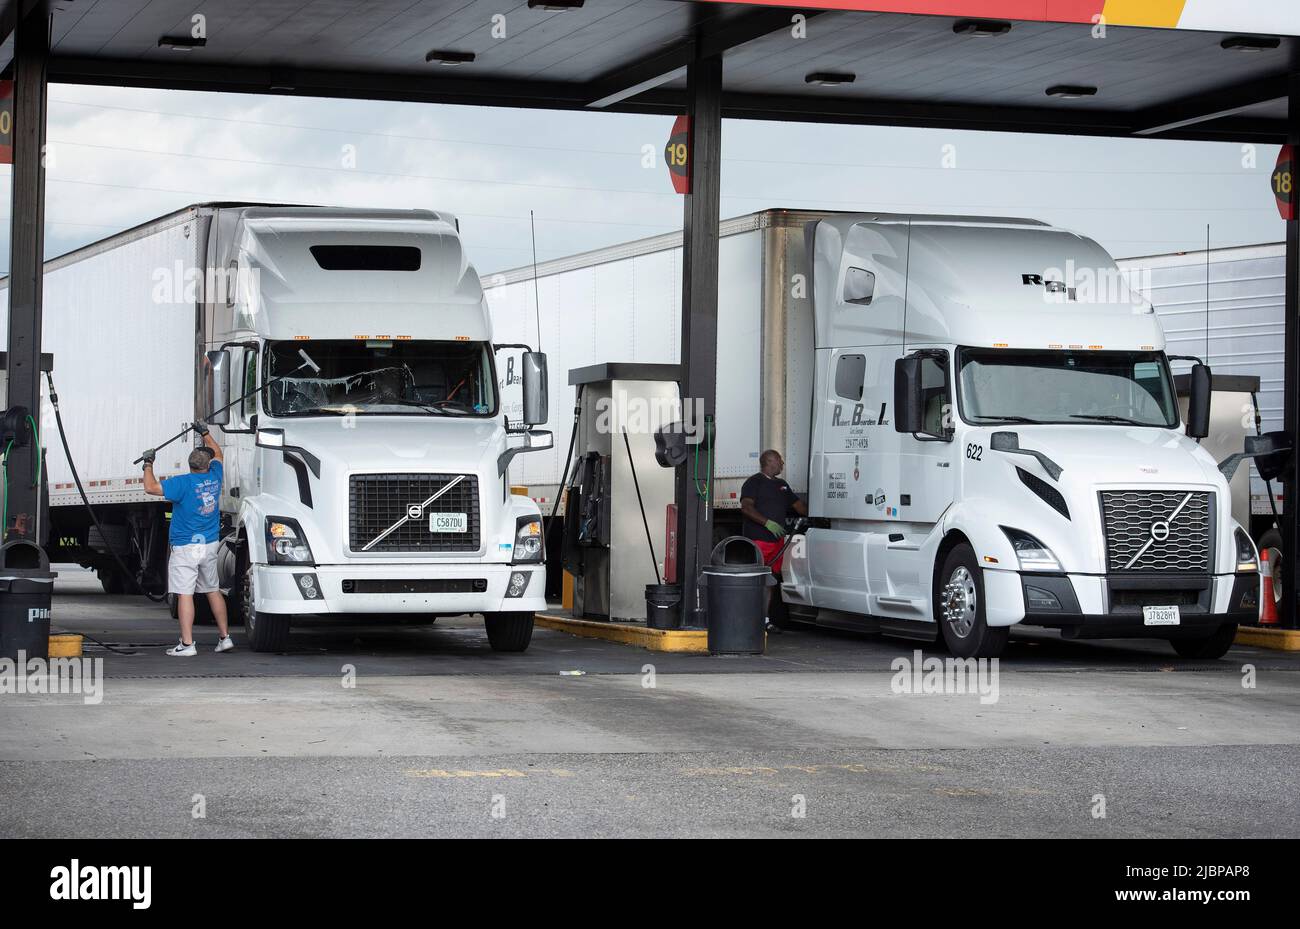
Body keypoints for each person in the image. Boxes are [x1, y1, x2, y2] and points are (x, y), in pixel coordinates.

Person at [142, 422, 233, 656]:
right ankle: (224, 638)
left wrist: (148, 463)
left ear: (190, 465)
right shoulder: (215, 476)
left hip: (185, 546)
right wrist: (204, 433)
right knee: (213, 590)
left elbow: (150, 488)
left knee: (185, 593)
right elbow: (219, 453)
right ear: (207, 464)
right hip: (210, 544)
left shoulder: (182, 483)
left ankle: (187, 644)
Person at [739, 449, 808, 633]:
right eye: (780, 461)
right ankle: (749, 619)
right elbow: (746, 508)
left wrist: (819, 512)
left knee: (770, 580)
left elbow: (799, 506)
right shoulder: (754, 482)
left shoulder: (782, 485)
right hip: (759, 540)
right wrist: (767, 523)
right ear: (770, 461)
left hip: (777, 543)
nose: (782, 464)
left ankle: (764, 620)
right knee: (757, 579)